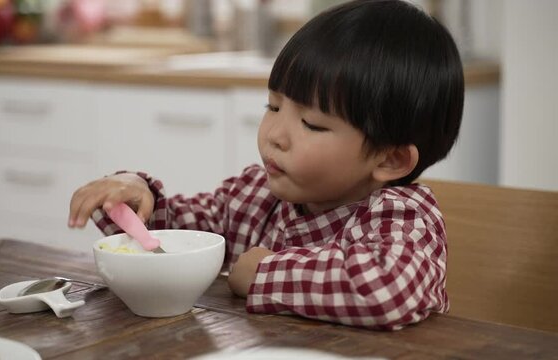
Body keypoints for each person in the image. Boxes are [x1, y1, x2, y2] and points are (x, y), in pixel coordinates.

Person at [68, 0, 464, 330]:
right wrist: (137, 194)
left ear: (390, 158)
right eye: (272, 106)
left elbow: (388, 289)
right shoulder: (255, 195)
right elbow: (174, 239)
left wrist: (265, 272)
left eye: (311, 123)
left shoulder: (402, 216)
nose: (274, 133)